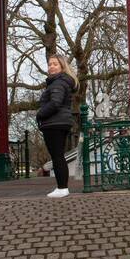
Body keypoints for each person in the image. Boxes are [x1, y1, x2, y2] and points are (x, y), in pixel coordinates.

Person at [36, 55, 77, 198]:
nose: (51, 66)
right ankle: (62, 187)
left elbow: (55, 103)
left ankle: (62, 187)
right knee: (59, 156)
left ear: (62, 66)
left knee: (57, 156)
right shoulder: (61, 82)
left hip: (55, 122)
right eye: (49, 64)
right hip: (61, 121)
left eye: (55, 64)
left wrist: (40, 114)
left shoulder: (58, 83)